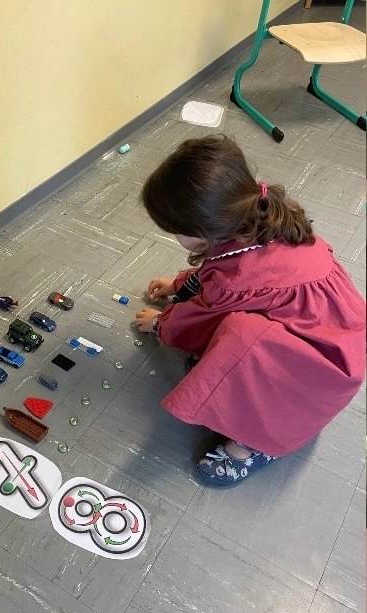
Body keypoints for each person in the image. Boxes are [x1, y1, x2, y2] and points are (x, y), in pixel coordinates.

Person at [135, 134, 365, 486]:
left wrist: (160, 325)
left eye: (175, 230)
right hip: (336, 343)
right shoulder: (260, 215)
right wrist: (181, 285)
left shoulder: (236, 280)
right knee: (235, 333)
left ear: (200, 231)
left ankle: (253, 444)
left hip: (315, 377)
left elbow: (199, 317)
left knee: (238, 336)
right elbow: (216, 276)